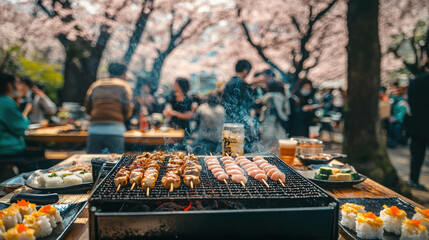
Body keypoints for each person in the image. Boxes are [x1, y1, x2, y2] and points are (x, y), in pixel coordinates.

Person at [84, 62, 133, 154]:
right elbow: (127, 109)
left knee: (92, 162)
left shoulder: (96, 85)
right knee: (116, 163)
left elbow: (87, 108)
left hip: (95, 129)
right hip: (115, 130)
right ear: (123, 73)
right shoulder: (123, 86)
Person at [222, 59, 260, 153]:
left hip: (228, 122)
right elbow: (249, 104)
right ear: (246, 70)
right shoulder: (242, 84)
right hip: (241, 125)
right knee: (241, 152)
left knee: (230, 152)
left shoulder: (229, 83)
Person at [407, 60, 429, 190]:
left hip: (417, 124)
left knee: (416, 155)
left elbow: (410, 101)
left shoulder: (415, 82)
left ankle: (413, 180)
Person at [0, 73, 31, 155]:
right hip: (7, 149)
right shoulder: (6, 102)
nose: (20, 87)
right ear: (10, 85)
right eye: (18, 83)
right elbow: (21, 128)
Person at [258, 81, 290, 151]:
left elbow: (262, 102)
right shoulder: (283, 97)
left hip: (268, 121)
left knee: (267, 143)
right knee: (280, 143)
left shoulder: (269, 95)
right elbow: (287, 111)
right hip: (281, 123)